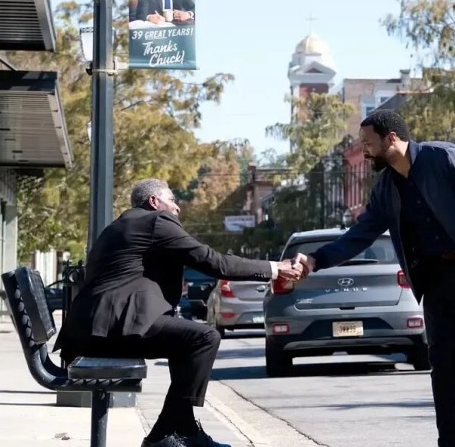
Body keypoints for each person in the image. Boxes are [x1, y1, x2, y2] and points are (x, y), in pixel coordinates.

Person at [293, 110, 455, 447]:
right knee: (444, 367)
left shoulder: (446, 158)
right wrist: (315, 259)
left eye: (368, 143)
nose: (364, 151)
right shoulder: (386, 188)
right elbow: (360, 235)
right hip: (438, 283)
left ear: (391, 138)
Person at [54, 179, 302, 447]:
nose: (177, 207)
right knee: (204, 338)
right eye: (172, 200)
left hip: (92, 331)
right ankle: (162, 435)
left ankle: (184, 430)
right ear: (154, 202)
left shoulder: (123, 224)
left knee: (184, 342)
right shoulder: (156, 222)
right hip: (109, 331)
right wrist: (275, 269)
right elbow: (214, 262)